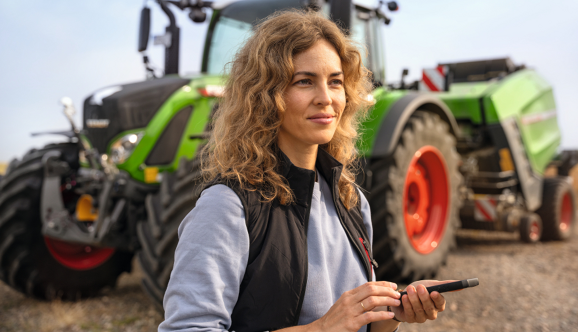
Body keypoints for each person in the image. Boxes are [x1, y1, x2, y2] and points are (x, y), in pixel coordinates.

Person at [159, 9, 450, 332]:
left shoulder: (351, 201)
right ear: (266, 96)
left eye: (335, 82)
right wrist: (323, 328)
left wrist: (391, 313)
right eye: (304, 82)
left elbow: (356, 326)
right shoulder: (228, 206)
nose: (326, 99)